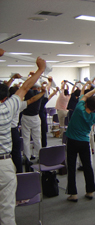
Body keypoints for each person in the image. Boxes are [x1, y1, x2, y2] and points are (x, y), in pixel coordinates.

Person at [0, 48, 45, 225]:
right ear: (4, 98)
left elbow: (25, 88)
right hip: (3, 164)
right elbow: (25, 88)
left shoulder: (8, 106)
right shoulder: (7, 108)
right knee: (7, 209)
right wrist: (40, 69)